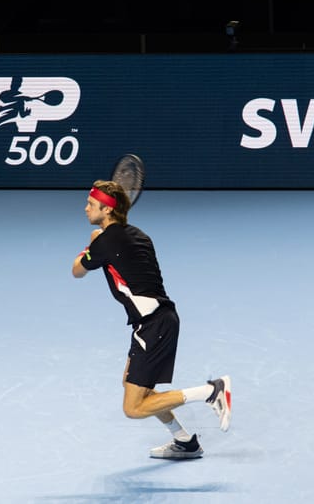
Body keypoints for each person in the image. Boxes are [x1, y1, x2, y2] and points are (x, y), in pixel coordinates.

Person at [71, 180, 232, 459]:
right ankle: (184, 442)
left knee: (133, 408)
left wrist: (93, 243)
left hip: (154, 325)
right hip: (157, 321)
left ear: (107, 210)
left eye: (90, 204)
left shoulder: (106, 241)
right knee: (134, 385)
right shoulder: (139, 235)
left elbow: (76, 270)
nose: (85, 208)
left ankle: (210, 391)